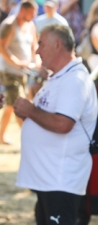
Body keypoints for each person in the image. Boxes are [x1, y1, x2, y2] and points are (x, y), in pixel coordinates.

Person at [16, 24, 98, 225]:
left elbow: (63, 124)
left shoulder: (75, 80)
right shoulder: (56, 79)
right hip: (46, 172)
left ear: (58, 46)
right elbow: (37, 120)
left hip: (62, 171)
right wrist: (27, 108)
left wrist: (29, 110)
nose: (36, 49)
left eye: (41, 43)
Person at [0, 0, 37, 145]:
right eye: (31, 13)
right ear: (22, 11)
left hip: (23, 72)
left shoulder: (31, 26)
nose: (33, 16)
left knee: (10, 106)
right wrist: (17, 63)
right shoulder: (9, 25)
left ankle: (0, 137)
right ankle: (31, 140)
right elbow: (2, 47)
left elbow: (34, 46)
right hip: (9, 72)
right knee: (19, 105)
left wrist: (37, 61)